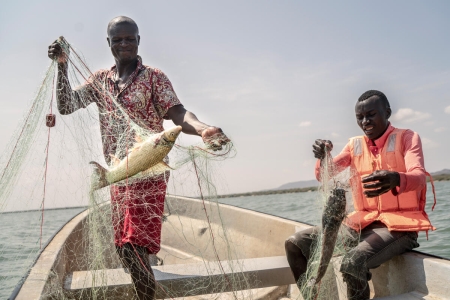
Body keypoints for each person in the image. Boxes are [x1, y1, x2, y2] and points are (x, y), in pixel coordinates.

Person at [48, 16, 230, 300]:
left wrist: (204, 129)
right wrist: (62, 66)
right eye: (117, 39)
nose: (124, 44)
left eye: (130, 38)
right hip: (119, 174)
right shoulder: (100, 81)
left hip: (149, 171)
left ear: (138, 41)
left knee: (133, 247)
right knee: (124, 249)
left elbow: (179, 114)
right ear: (108, 43)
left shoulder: (154, 77)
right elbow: (67, 105)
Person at [285, 90, 435, 300]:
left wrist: (396, 178)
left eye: (371, 114)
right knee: (296, 243)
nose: (365, 121)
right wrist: (323, 157)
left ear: (387, 112)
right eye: (360, 117)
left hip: (399, 228)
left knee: (352, 262)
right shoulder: (354, 145)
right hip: (362, 225)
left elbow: (419, 177)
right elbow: (325, 176)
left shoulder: (408, 137)